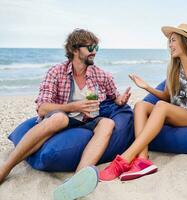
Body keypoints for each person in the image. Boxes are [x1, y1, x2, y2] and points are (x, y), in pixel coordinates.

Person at [0, 29, 131, 195]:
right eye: (90, 48)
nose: (94, 52)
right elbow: (42, 107)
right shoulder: (56, 72)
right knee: (59, 119)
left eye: (96, 48)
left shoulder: (101, 75)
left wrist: (121, 100)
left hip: (89, 120)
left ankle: (77, 179)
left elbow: (114, 96)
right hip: (64, 117)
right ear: (75, 50)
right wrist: (73, 107)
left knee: (108, 123)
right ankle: (5, 168)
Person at [99, 24, 187, 181]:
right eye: (169, 42)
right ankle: (143, 157)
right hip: (174, 112)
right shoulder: (174, 68)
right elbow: (167, 97)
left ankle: (125, 158)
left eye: (173, 41)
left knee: (160, 106)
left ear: (185, 42)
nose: (170, 45)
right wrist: (146, 87)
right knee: (140, 105)